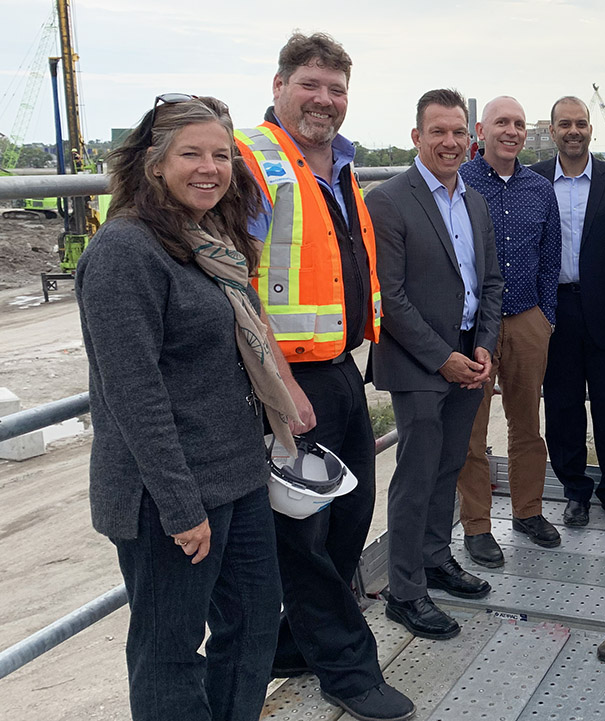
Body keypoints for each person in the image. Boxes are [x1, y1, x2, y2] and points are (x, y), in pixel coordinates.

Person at [78, 95, 288, 721]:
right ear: (153, 164)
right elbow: (133, 395)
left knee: (253, 627)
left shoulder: (207, 241)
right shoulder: (126, 251)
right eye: (190, 153)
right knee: (169, 651)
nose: (210, 167)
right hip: (168, 494)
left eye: (221, 155)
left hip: (237, 476)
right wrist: (179, 506)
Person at [235, 33, 414, 721]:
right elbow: (233, 278)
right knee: (300, 535)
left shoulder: (340, 166)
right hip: (279, 379)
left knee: (347, 516)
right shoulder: (255, 159)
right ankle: (347, 666)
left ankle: (293, 640)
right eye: (311, 84)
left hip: (339, 369)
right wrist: (274, 382)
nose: (324, 99)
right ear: (280, 84)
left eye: (336, 88)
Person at [368, 88, 504, 641]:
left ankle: (433, 559)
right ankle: (405, 592)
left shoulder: (472, 199)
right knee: (416, 475)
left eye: (458, 133)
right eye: (438, 132)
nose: (449, 143)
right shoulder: (389, 200)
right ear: (416, 137)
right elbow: (391, 297)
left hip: (470, 357)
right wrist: (442, 358)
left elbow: (490, 282)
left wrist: (484, 345)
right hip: (418, 361)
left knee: (449, 466)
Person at [457, 96, 562, 567]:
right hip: (475, 326)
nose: (513, 131)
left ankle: (528, 511)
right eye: (503, 122)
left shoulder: (540, 188)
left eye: (519, 124)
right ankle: (477, 525)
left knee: (527, 424)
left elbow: (550, 255)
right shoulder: (460, 182)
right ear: (481, 130)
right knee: (471, 431)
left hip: (526, 320)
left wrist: (547, 317)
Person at [531, 96, 605, 528]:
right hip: (555, 310)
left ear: (591, 128)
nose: (573, 131)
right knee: (562, 406)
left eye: (581, 123)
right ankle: (574, 490)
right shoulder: (533, 180)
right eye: (564, 124)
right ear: (553, 131)